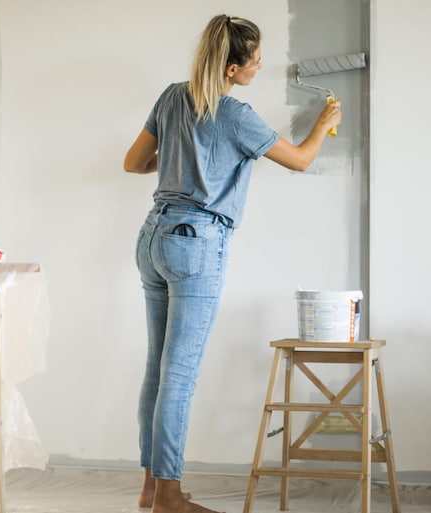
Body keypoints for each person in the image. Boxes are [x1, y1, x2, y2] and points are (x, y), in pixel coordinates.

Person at [123, 14, 341, 513]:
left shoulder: (171, 96)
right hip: (196, 242)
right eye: (255, 59)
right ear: (230, 67)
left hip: (153, 235)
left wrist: (182, 155)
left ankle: (150, 489)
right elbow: (302, 160)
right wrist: (322, 125)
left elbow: (135, 163)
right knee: (178, 375)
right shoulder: (236, 114)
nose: (260, 65)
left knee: (158, 370)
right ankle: (170, 498)